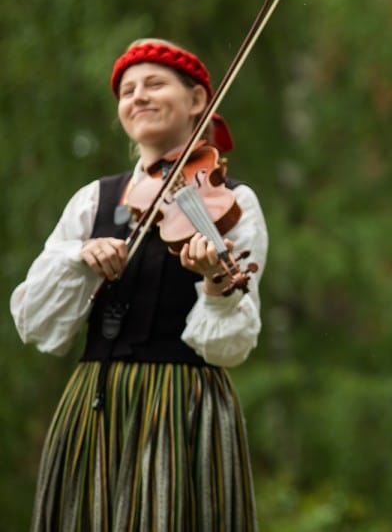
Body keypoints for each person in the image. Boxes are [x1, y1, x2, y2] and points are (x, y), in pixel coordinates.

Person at [11, 39, 268, 531]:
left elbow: (232, 347)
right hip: (96, 400)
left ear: (197, 100)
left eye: (154, 84)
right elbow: (36, 324)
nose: (138, 96)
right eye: (128, 91)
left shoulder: (232, 200)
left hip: (185, 404)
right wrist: (78, 258)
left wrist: (216, 284)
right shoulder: (95, 199)